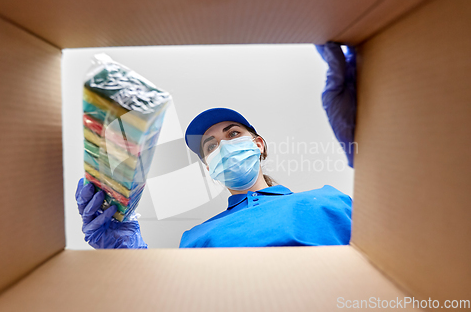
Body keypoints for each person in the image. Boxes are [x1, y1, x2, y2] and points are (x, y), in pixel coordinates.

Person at [75, 41, 357, 249]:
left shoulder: (330, 202)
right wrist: (128, 251)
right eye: (210, 147)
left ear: (258, 144)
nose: (222, 146)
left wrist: (369, 143)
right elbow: (171, 297)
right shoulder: (197, 238)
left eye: (232, 134)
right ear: (209, 168)